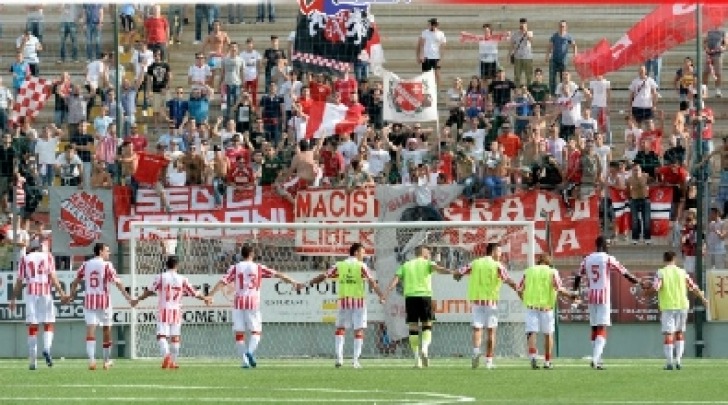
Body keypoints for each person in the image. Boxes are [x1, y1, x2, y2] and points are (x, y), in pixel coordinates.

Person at [207, 245, 302, 368]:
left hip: (238, 302)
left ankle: (245, 361)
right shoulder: (258, 268)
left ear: (241, 254)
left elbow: (222, 282)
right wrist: (294, 282)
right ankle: (249, 353)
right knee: (256, 332)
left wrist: (210, 295)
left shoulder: (235, 268)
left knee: (239, 333)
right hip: (253, 302)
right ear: (252, 254)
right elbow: (278, 274)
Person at [307, 243, 385, 368]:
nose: (364, 255)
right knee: (358, 330)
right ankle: (355, 361)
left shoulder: (339, 265)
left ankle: (339, 358)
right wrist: (381, 295)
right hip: (358, 302)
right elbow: (371, 281)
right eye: (362, 252)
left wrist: (309, 283)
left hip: (343, 302)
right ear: (356, 253)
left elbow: (324, 275)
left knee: (340, 329)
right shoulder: (361, 266)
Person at [573, 236, 641, 369]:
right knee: (602, 327)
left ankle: (596, 357)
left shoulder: (587, 258)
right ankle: (596, 358)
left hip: (591, 296)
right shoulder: (607, 258)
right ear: (605, 245)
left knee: (594, 327)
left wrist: (575, 293)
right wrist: (638, 282)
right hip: (603, 297)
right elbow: (624, 272)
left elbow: (577, 276)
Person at [384, 245, 457, 368]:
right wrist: (451, 272)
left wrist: (386, 293)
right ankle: (424, 348)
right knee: (427, 324)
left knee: (413, 326)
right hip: (424, 297)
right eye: (428, 251)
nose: (429, 253)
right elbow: (438, 268)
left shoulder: (406, 265)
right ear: (423, 253)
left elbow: (395, 280)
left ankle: (417, 359)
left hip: (410, 298)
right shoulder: (427, 263)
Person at [131, 256, 211, 369]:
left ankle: (167, 356)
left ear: (166, 265)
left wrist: (138, 299)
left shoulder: (161, 277)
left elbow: (150, 291)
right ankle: (173, 362)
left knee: (161, 336)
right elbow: (194, 292)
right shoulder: (182, 279)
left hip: (164, 308)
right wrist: (205, 298)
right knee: (175, 337)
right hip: (177, 310)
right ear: (177, 265)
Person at [65, 243, 134, 370]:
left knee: (91, 329)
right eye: (107, 251)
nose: (109, 253)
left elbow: (76, 281)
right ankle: (106, 361)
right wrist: (128, 297)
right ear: (101, 252)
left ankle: (91, 360)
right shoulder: (107, 265)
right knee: (106, 330)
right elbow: (117, 282)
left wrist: (71, 295)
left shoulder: (86, 264)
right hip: (104, 301)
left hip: (89, 301)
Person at [454, 242, 518, 369]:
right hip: (491, 302)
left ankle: (476, 351)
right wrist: (518, 288)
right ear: (493, 251)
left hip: (477, 302)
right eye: (499, 252)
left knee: (477, 328)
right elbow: (507, 279)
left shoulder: (475, 263)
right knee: (491, 332)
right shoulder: (497, 265)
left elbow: (458, 273)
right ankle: (489, 362)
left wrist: (458, 277)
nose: (501, 254)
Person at [644, 251, 708, 370]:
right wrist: (703, 298)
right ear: (675, 259)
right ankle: (678, 361)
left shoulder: (661, 272)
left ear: (664, 259)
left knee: (669, 334)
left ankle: (669, 363)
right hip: (682, 306)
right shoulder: (682, 272)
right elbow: (693, 287)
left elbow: (656, 287)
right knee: (679, 333)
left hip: (668, 306)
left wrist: (646, 293)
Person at [9, 247, 67, 370]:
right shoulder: (48, 256)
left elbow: (19, 281)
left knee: (32, 326)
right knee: (49, 323)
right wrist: (61, 293)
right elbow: (53, 277)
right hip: (45, 293)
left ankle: (33, 361)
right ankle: (46, 348)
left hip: (31, 294)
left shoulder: (25, 258)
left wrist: (13, 298)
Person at [518, 254, 576, 370]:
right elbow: (559, 288)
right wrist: (571, 295)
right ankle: (547, 361)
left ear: (538, 262)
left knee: (531, 332)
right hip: (546, 307)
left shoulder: (528, 271)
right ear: (548, 262)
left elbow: (519, 289)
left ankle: (533, 356)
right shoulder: (552, 272)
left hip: (531, 307)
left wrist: (524, 300)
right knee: (548, 334)